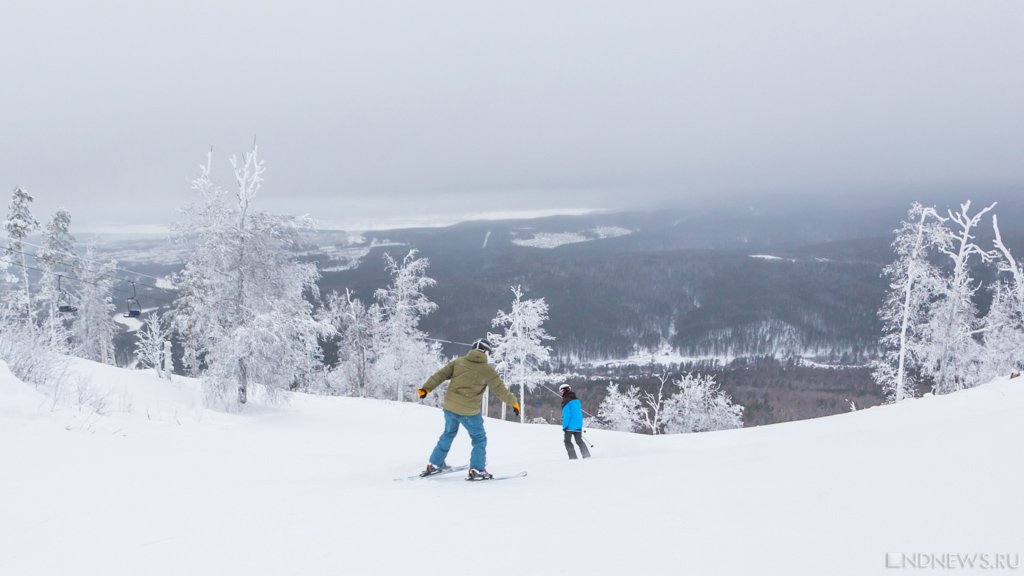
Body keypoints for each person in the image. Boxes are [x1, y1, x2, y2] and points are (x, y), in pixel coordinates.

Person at [417, 338, 520, 480]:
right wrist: (514, 403)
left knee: (448, 434)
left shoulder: (458, 362)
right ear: (485, 351)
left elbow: (440, 375)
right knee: (479, 438)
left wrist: (425, 389)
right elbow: (500, 390)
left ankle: (434, 464)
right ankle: (477, 469)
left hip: (450, 408)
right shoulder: (487, 370)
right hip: (468, 412)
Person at [560, 383, 591, 460]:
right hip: (578, 425)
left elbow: (567, 415)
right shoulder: (577, 400)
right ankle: (587, 456)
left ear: (564, 391)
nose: (561, 393)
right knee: (579, 441)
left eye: (561, 391)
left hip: (569, 426)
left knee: (567, 441)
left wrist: (564, 426)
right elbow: (577, 413)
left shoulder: (565, 401)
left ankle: (573, 458)